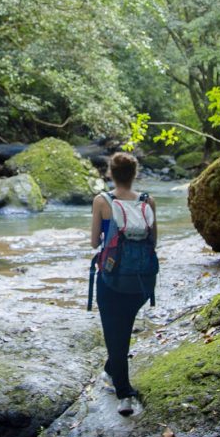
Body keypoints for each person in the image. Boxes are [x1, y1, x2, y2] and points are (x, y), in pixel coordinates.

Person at [90, 152, 156, 416]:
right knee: (123, 330)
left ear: (110, 173)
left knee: (113, 333)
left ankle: (124, 393)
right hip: (142, 280)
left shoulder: (102, 201)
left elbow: (95, 242)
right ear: (135, 173)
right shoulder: (147, 200)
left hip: (112, 278)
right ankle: (112, 368)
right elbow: (153, 241)